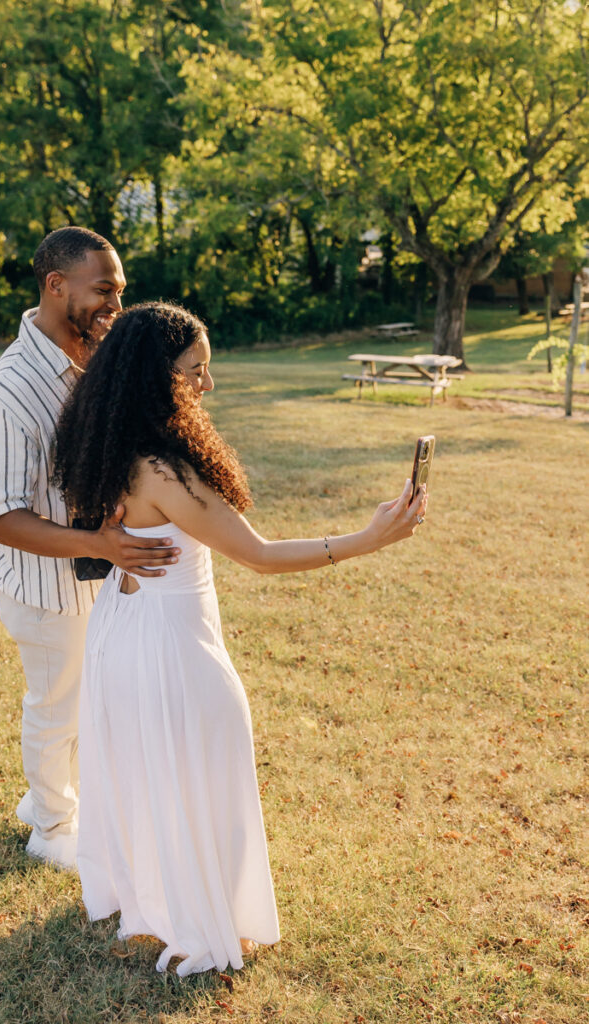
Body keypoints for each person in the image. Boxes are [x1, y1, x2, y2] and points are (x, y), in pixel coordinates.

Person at [52, 301, 429, 976]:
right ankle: (204, 917)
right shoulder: (162, 469)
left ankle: (154, 896)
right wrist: (370, 538)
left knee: (153, 773)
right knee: (200, 772)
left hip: (124, 631)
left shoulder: (107, 441)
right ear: (154, 376)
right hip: (168, 644)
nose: (206, 384)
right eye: (194, 371)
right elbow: (257, 556)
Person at [0, 228, 179, 871]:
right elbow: (3, 518)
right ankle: (53, 825)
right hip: (46, 588)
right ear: (55, 286)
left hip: (98, 574)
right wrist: (100, 544)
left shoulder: (95, 355)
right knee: (57, 707)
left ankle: (43, 803)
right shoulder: (8, 393)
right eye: (104, 290)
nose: (116, 303)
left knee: (88, 703)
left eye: (120, 289)